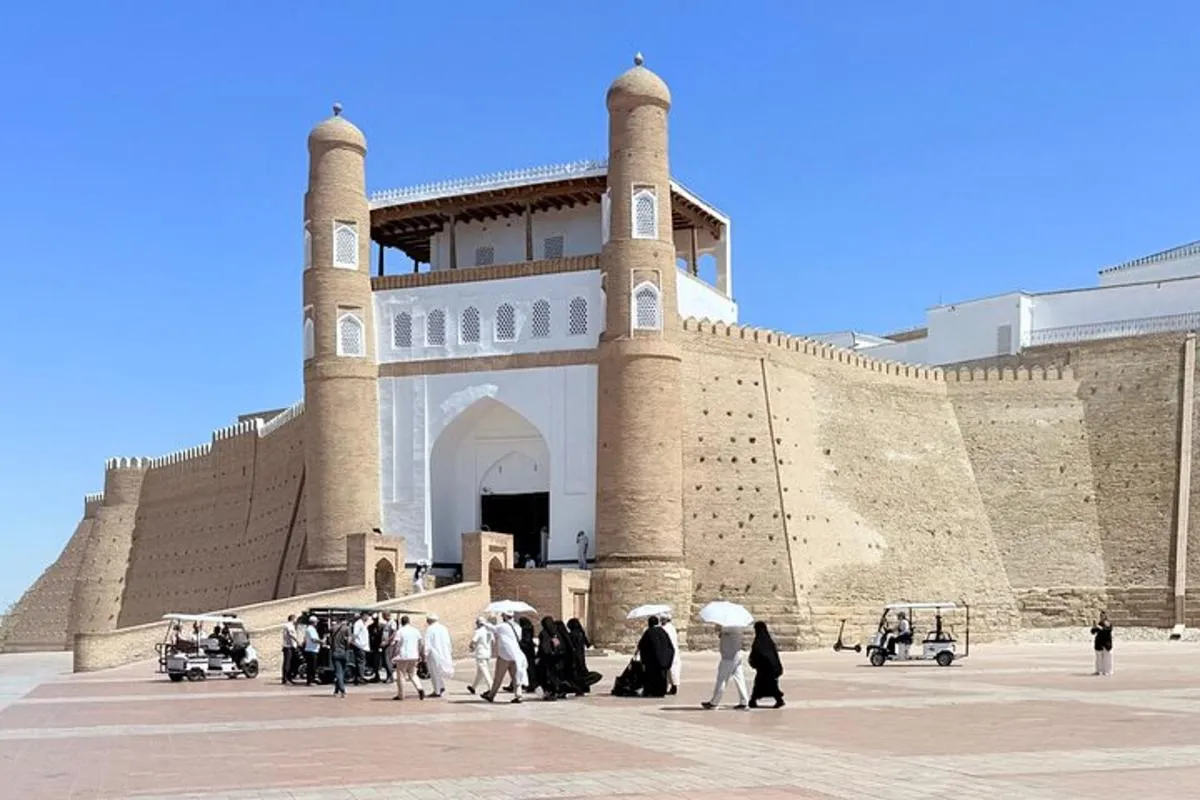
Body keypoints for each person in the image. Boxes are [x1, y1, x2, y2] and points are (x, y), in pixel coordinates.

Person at [701, 625, 750, 710]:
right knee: (740, 679)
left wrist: (720, 629)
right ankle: (744, 701)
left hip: (728, 657)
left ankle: (714, 702)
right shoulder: (738, 627)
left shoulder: (729, 627)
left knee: (722, 679)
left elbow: (719, 630)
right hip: (736, 655)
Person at [481, 612, 526, 704]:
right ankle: (519, 695)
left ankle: (491, 695)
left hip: (505, 655)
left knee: (498, 676)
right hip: (515, 654)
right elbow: (519, 638)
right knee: (515, 676)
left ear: (505, 616)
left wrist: (484, 623)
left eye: (503, 616)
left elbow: (492, 628)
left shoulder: (503, 626)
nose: (502, 617)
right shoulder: (518, 627)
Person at [635, 616, 676, 698]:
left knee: (651, 676)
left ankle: (651, 691)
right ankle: (661, 692)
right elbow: (670, 646)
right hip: (663, 660)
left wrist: (638, 655)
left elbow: (642, 645)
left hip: (653, 661)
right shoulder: (663, 631)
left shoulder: (649, 632)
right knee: (662, 676)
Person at [748, 621, 785, 709]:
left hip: (764, 669)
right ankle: (753, 701)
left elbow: (757, 654)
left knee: (762, 685)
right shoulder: (768, 641)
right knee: (769, 685)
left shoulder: (759, 641)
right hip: (770, 668)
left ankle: (753, 701)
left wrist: (753, 662)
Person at [391, 615, 425, 700]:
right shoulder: (415, 631)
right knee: (413, 674)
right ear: (409, 621)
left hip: (403, 655)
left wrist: (394, 654)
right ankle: (420, 688)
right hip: (414, 655)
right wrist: (420, 653)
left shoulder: (400, 631)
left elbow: (397, 644)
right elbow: (421, 643)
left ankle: (401, 694)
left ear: (401, 622)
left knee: (401, 675)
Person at [423, 613, 454, 698]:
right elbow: (448, 641)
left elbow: (427, 643)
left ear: (429, 620)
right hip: (444, 652)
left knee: (434, 672)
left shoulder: (430, 629)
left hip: (434, 653)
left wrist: (424, 654)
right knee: (438, 671)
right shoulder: (444, 628)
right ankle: (441, 686)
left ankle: (437, 691)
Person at [537, 617, 569, 700]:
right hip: (558, 658)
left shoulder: (544, 633)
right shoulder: (557, 632)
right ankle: (559, 691)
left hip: (548, 659)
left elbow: (543, 647)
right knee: (557, 675)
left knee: (547, 676)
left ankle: (551, 693)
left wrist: (539, 656)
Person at [565, 618, 594, 695]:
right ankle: (585, 687)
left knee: (576, 673)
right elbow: (587, 644)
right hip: (581, 656)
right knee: (582, 671)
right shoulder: (581, 633)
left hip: (575, 656)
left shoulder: (572, 634)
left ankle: (579, 688)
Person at [467, 616, 494, 695]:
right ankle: (473, 687)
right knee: (480, 672)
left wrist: (471, 647)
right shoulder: (489, 631)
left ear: (478, 623)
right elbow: (493, 642)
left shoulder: (479, 631)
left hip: (480, 654)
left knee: (485, 671)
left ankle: (491, 687)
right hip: (488, 653)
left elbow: (473, 641)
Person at [330, 616, 352, 697]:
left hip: (335, 651)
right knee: (341, 672)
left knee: (338, 672)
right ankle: (342, 690)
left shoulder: (333, 628)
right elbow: (349, 641)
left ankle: (337, 690)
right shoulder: (347, 628)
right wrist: (347, 646)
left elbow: (329, 640)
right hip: (343, 652)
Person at [660, 611, 681, 695]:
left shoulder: (665, 628)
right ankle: (673, 687)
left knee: (669, 670)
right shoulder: (671, 627)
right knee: (673, 670)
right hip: (673, 651)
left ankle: (670, 687)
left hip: (668, 651)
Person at [517, 617, 538, 693]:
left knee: (527, 668)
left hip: (526, 650)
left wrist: (519, 643)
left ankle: (530, 685)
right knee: (530, 668)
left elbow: (526, 640)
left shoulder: (525, 629)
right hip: (530, 650)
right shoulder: (530, 627)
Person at [1092, 611, 1114, 676]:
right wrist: (1094, 627)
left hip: (1106, 643)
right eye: (1101, 615)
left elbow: (1107, 630)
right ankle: (1098, 671)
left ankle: (1108, 671)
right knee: (1098, 659)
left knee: (1107, 658)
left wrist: (1098, 627)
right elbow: (1093, 632)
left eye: (1103, 615)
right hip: (1099, 643)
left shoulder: (1108, 623)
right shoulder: (1099, 623)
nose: (1101, 617)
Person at [351, 611, 371, 685]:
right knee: (360, 663)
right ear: (363, 615)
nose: (368, 617)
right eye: (367, 615)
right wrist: (353, 642)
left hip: (363, 646)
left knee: (361, 662)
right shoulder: (358, 623)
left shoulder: (363, 624)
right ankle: (360, 678)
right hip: (360, 646)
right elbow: (355, 634)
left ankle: (359, 677)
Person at [378, 611, 397, 685]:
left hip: (389, 644)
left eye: (383, 615)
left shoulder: (392, 623)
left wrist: (387, 641)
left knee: (387, 660)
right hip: (385, 644)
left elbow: (394, 633)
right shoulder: (387, 623)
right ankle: (388, 676)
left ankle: (390, 677)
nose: (382, 617)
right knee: (385, 660)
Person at [302, 615, 322, 686]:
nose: (317, 623)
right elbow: (314, 639)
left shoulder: (311, 629)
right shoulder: (311, 629)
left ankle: (311, 680)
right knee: (312, 666)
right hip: (311, 650)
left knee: (311, 666)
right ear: (313, 622)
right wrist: (322, 641)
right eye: (316, 622)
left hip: (312, 649)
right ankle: (310, 681)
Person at [281, 614, 300, 685]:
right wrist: (297, 641)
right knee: (287, 663)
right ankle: (286, 678)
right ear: (292, 619)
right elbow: (291, 635)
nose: (296, 620)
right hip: (288, 646)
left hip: (290, 646)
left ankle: (289, 678)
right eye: (295, 619)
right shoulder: (289, 625)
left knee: (290, 663)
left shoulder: (290, 625)